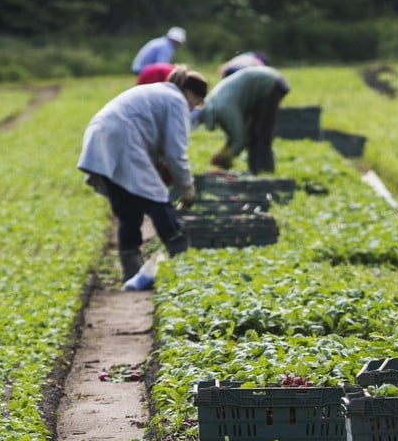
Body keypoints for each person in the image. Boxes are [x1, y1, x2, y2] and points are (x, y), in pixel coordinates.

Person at [78, 66, 209, 287]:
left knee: (128, 210)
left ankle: (131, 274)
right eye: (194, 103)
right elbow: (175, 152)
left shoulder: (158, 92)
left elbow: (153, 137)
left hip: (100, 135)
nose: (192, 109)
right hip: (121, 138)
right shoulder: (176, 100)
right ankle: (181, 261)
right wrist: (187, 186)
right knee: (157, 198)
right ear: (189, 94)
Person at [199, 64, 290, 174]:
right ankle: (256, 171)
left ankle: (264, 173)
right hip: (262, 82)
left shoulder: (223, 109)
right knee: (254, 133)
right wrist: (225, 153)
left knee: (260, 133)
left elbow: (240, 139)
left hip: (268, 84)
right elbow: (233, 137)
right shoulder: (215, 105)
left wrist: (225, 158)